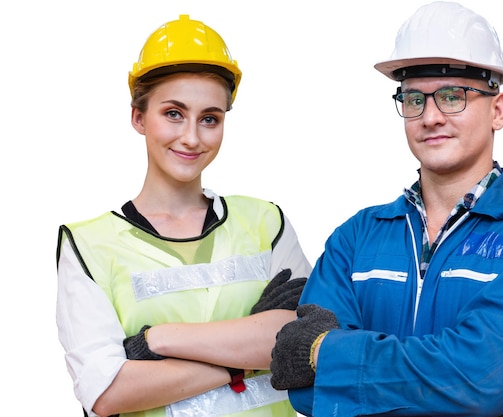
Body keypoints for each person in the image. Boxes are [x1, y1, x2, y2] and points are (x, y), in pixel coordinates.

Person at [268, 2, 503, 416]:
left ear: (498, 109)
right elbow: (305, 393)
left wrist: (325, 355)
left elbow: (478, 380)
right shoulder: (354, 239)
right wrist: (469, 394)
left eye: (453, 96)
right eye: (414, 99)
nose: (430, 116)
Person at [56, 15, 311, 417]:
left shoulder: (265, 222)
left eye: (210, 118)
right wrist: (245, 351)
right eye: (173, 113)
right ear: (139, 118)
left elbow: (306, 341)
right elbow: (106, 394)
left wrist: (156, 340)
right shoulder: (88, 245)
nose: (192, 137)